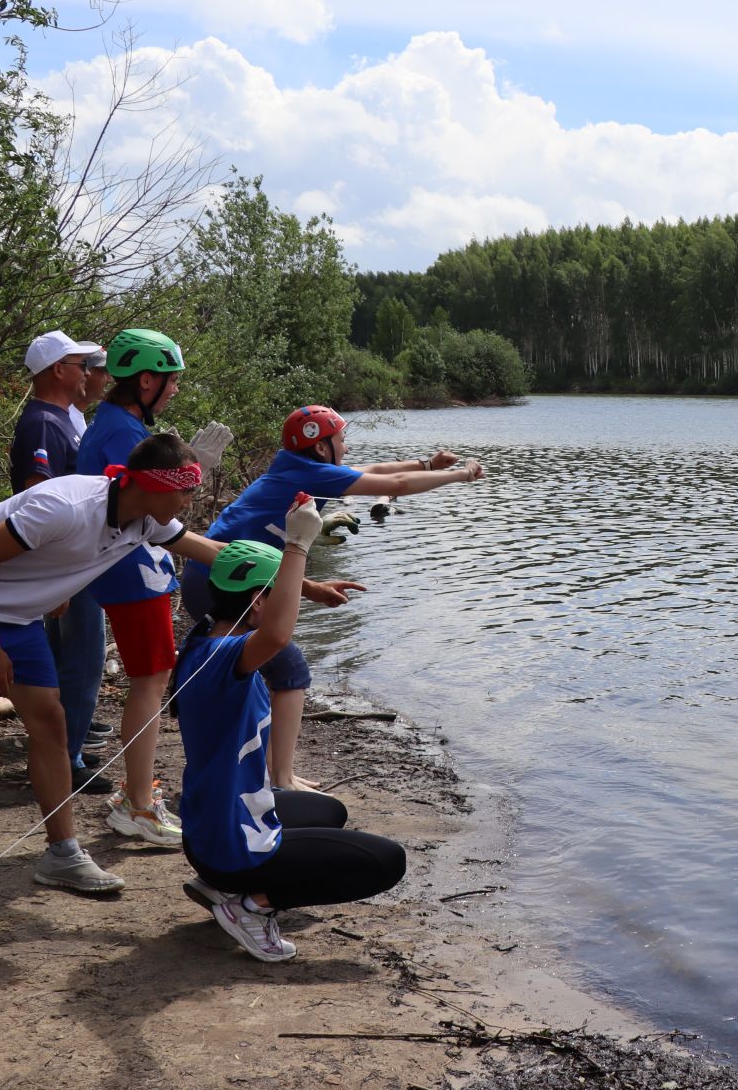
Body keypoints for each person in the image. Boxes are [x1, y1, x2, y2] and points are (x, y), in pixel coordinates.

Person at [0, 438, 211, 892]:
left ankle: (63, 854)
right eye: (185, 490)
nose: (189, 501)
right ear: (153, 486)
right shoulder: (66, 506)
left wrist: (299, 579)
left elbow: (214, 553)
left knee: (50, 723)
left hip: (16, 616)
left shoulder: (144, 520)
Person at [178, 404, 482, 790]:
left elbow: (374, 472)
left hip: (226, 578)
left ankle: (264, 770)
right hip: (220, 581)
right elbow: (397, 486)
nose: (347, 448)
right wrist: (461, 474)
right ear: (321, 449)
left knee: (259, 671)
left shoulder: (299, 468)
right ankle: (281, 779)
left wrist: (426, 463)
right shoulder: (304, 472)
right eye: (341, 440)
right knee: (288, 670)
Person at [175, 510, 406, 962]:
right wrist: (298, 544)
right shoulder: (227, 657)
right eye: (279, 592)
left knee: (327, 812)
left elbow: (272, 630)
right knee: (387, 862)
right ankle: (250, 908)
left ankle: (222, 887)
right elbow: (279, 635)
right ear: (258, 602)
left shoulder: (203, 639)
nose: (288, 600)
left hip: (206, 833)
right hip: (230, 843)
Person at [74, 329, 232, 846]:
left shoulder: (118, 422)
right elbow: (153, 503)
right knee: (150, 682)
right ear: (146, 380)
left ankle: (136, 793)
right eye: (172, 382)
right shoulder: (121, 431)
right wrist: (194, 475)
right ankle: (138, 803)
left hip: (134, 565)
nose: (176, 391)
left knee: (152, 678)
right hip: (132, 570)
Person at [12, 330, 109, 788]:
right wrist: (54, 578)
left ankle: (66, 749)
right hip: (66, 562)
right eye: (80, 364)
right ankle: (66, 763)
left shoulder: (63, 417)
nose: (87, 372)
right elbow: (37, 496)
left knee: (73, 657)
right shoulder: (43, 424)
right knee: (81, 659)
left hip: (76, 559)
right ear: (58, 370)